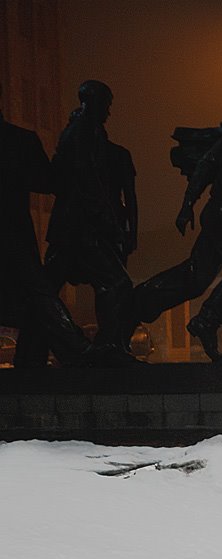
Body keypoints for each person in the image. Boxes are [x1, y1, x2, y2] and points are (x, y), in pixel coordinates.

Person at [130, 86, 222, 363]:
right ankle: (207, 320)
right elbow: (207, 164)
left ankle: (140, 302)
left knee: (195, 279)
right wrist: (187, 204)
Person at [0, 84, 124, 367]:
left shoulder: (23, 140)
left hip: (14, 235)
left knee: (38, 294)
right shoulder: (19, 140)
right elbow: (50, 181)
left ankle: (57, 351)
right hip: (12, 234)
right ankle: (76, 349)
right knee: (38, 292)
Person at [42, 80, 136, 355]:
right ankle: (107, 347)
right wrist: (107, 219)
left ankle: (32, 349)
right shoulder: (83, 131)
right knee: (116, 283)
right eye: (107, 105)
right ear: (94, 102)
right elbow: (88, 179)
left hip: (74, 226)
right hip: (80, 227)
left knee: (46, 288)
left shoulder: (84, 131)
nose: (109, 112)